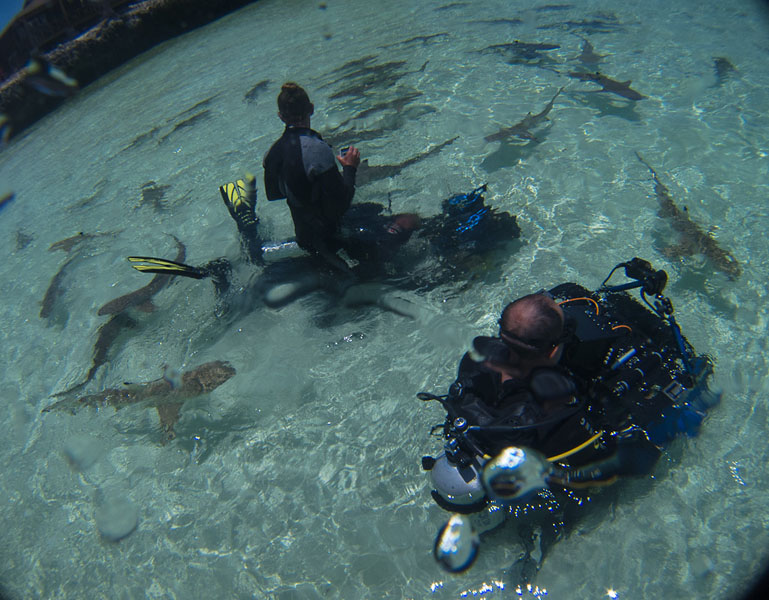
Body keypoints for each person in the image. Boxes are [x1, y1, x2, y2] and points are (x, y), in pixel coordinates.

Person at [424, 259, 719, 574]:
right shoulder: (557, 413)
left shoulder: (473, 362)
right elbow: (611, 452)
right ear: (553, 350)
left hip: (486, 439)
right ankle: (540, 541)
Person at [262, 82, 362, 272]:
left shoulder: (271, 154)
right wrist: (350, 168)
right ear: (312, 109)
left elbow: (275, 194)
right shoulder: (317, 150)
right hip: (331, 236)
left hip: (304, 236)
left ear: (281, 116)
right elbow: (342, 204)